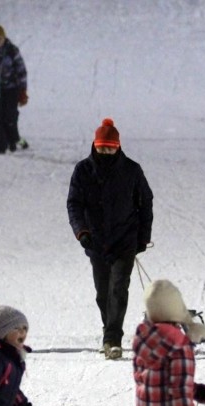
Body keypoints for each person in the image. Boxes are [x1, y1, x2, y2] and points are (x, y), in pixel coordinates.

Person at [67, 118, 154, 360]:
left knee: (118, 289)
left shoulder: (132, 170)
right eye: (102, 147)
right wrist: (81, 232)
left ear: (118, 146)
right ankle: (109, 330)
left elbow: (145, 201)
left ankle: (113, 339)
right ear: (95, 145)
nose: (105, 152)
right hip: (95, 241)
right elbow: (74, 203)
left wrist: (143, 237)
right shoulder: (83, 170)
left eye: (110, 148)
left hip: (124, 239)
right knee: (102, 292)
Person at [0, 24, 28, 154]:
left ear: (4, 38)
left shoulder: (12, 51)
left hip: (11, 88)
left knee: (10, 115)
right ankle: (1, 146)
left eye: (0, 38)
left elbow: (21, 71)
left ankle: (13, 140)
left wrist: (23, 90)